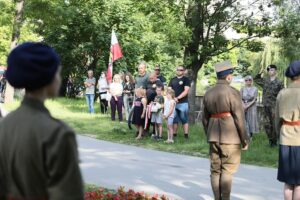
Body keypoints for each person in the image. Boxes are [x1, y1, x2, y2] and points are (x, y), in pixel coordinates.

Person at [0, 42, 83, 199]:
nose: (59, 78)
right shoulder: (58, 134)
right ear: (48, 78)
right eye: (57, 73)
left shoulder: (4, 126)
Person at [202, 60, 249, 200]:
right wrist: (244, 139)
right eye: (231, 75)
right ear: (228, 76)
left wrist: (209, 134)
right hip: (230, 137)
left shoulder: (208, 92)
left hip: (213, 136)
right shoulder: (232, 92)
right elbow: (239, 118)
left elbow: (204, 119)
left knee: (215, 171)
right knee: (227, 170)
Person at [275, 61, 300, 200]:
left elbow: (276, 118)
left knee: (288, 182)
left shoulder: (282, 93)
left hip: (285, 138)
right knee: (299, 183)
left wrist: (279, 133)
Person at [254, 64, 284, 147]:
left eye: (273, 70)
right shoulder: (265, 81)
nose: (271, 71)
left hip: (274, 107)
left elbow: (282, 94)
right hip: (265, 106)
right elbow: (256, 79)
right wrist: (260, 73)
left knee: (275, 124)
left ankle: (275, 141)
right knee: (267, 124)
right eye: (270, 70)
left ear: (276, 71)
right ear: (268, 72)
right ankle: (270, 140)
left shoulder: (279, 82)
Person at [168, 66, 190, 139]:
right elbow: (169, 90)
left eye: (181, 70)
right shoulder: (172, 80)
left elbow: (186, 91)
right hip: (173, 103)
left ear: (183, 71)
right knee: (174, 120)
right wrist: (173, 98)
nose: (179, 71)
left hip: (183, 103)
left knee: (184, 119)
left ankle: (186, 136)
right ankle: (174, 135)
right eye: (178, 70)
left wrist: (177, 98)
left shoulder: (186, 79)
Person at [146, 72, 164, 137]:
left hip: (156, 104)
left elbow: (162, 92)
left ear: (155, 77)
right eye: (150, 78)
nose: (150, 79)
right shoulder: (148, 82)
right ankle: (147, 129)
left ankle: (155, 133)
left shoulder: (159, 83)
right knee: (148, 117)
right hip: (148, 102)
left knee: (155, 119)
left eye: (152, 78)